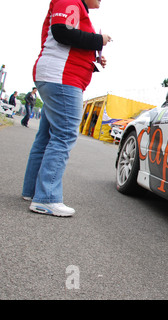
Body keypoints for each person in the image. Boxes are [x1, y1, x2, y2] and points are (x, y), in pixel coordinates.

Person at [22, 0, 112, 217]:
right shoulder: (71, 1)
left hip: (58, 76)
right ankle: (46, 198)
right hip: (62, 79)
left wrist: (94, 56)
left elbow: (68, 38)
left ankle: (33, 191)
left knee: (45, 137)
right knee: (64, 136)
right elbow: (63, 32)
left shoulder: (77, 7)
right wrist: (99, 39)